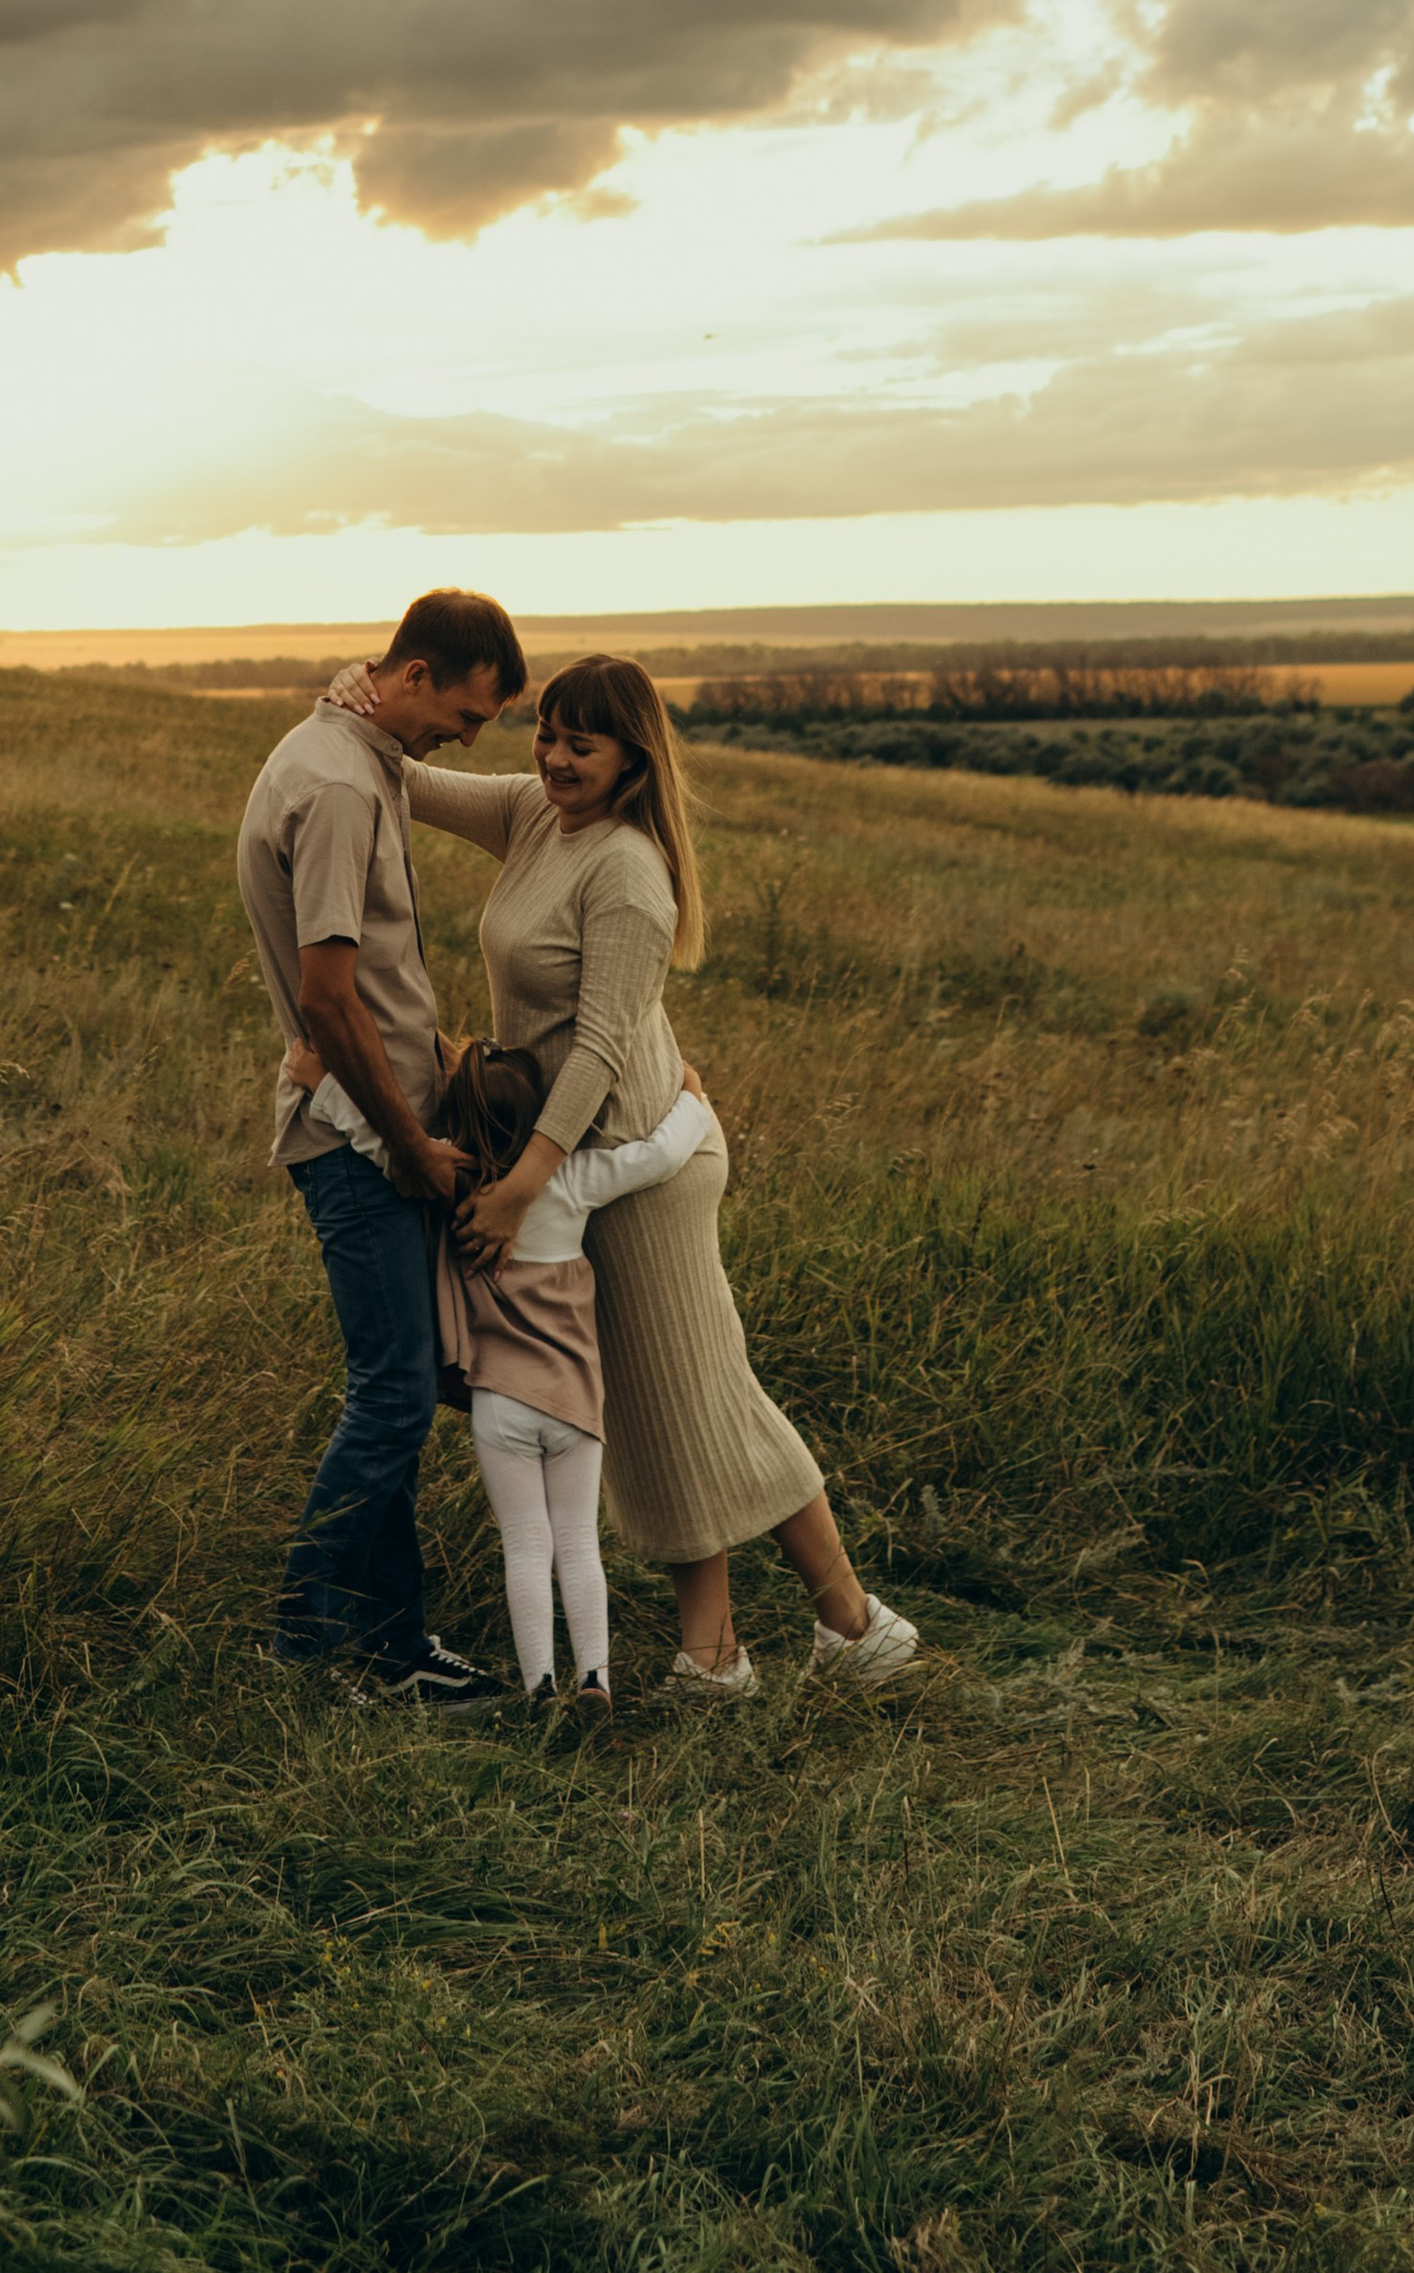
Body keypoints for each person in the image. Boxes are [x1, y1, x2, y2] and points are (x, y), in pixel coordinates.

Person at [336, 649, 917, 1699]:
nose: (554, 758)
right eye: (546, 733)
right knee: (674, 1398)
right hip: (576, 1158)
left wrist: (525, 1186)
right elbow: (401, 775)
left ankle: (771, 1641)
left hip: (634, 1161)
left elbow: (601, 1051)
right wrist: (356, 698)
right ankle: (816, 1630)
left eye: (582, 744)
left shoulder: (628, 873)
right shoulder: (533, 815)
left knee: (683, 1396)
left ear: (632, 761)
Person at [235, 585, 526, 1706]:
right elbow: (327, 996)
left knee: (400, 1391)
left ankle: (394, 1646)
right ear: (413, 677)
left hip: (380, 1130)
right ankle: (308, 1647)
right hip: (359, 1141)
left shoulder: (358, 755)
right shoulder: (339, 784)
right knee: (393, 1398)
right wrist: (409, 1147)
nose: (469, 737)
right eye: (468, 713)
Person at [289, 1027, 716, 1718]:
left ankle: (538, 1688)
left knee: (524, 1546)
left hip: (499, 1403)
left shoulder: (454, 1186)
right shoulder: (571, 1179)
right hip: (573, 1399)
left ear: (456, 1118)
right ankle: (595, 1680)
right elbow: (658, 1156)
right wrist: (693, 1099)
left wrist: (323, 1087)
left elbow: (380, 1146)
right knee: (577, 1543)